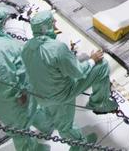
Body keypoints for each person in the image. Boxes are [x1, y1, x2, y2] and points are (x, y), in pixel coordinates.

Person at [21, 10, 116, 143]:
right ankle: (98, 107)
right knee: (102, 66)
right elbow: (78, 72)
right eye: (52, 21)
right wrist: (92, 60)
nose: (55, 22)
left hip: (40, 95)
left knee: (55, 114)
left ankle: (53, 124)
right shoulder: (57, 48)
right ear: (45, 26)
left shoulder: (27, 47)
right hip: (60, 95)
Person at [0, 6, 46, 151]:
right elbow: (6, 77)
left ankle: (45, 127)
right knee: (19, 129)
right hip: (12, 99)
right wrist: (19, 95)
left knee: (30, 113)